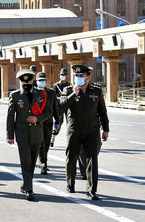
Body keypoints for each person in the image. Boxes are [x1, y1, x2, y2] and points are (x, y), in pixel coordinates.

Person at [59, 65, 109, 200]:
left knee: (92, 159)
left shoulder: (96, 91)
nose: (78, 78)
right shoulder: (68, 90)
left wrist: (106, 129)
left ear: (88, 77)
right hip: (74, 131)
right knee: (71, 157)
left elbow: (102, 112)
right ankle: (70, 183)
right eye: (77, 76)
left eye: (81, 76)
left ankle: (91, 189)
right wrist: (73, 94)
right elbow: (61, 106)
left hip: (91, 131)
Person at [6, 69, 51, 201]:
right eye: (23, 83)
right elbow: (10, 117)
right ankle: (29, 190)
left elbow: (48, 111)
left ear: (32, 82)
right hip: (22, 134)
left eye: (28, 83)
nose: (25, 86)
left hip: (37, 133)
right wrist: (10, 135)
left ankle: (25, 184)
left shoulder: (41, 94)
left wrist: (38, 118)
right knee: (25, 162)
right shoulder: (15, 95)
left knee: (31, 163)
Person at [36, 72, 62, 175]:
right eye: (40, 80)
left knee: (46, 144)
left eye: (44, 80)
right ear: (36, 81)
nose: (42, 82)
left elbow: (55, 108)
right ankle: (43, 164)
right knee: (40, 143)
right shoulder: (33, 92)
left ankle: (43, 160)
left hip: (49, 122)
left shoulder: (51, 93)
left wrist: (58, 121)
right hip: (38, 122)